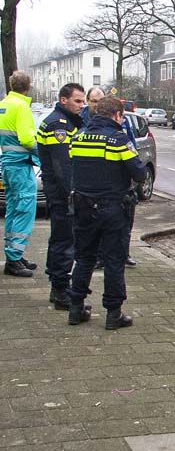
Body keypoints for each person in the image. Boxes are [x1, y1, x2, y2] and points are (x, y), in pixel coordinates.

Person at [67, 97, 145, 329]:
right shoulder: (118, 140)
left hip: (82, 206)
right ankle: (113, 313)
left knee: (83, 258)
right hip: (112, 208)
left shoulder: (77, 136)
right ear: (118, 115)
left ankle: (75, 308)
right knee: (113, 260)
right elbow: (139, 173)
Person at [36, 83, 86, 308]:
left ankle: (58, 285)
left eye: (83, 101)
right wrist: (72, 195)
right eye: (77, 101)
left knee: (60, 239)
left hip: (57, 192)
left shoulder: (64, 122)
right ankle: (60, 289)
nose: (81, 105)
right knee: (64, 241)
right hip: (62, 194)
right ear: (63, 100)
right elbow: (63, 167)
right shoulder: (59, 125)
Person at [82, 86, 138, 268]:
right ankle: (102, 257)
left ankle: (123, 252)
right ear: (88, 102)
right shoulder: (83, 122)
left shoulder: (123, 126)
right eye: (94, 101)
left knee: (124, 225)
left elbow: (131, 145)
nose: (98, 105)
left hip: (115, 186)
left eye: (101, 101)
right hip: (100, 190)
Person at [0, 71, 39, 277]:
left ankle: (14, 255)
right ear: (28, 86)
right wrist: (43, 153)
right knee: (24, 210)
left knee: (13, 210)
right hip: (21, 167)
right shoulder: (21, 106)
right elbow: (26, 139)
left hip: (7, 165)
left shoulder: (4, 104)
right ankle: (15, 258)